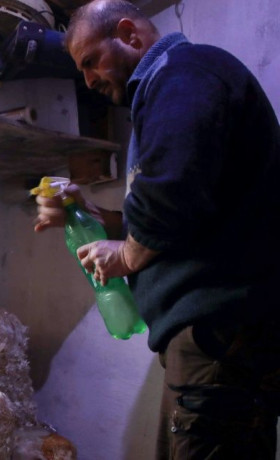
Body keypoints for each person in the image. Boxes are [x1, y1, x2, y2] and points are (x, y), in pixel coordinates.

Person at [34, 0, 280, 458]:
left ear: (128, 34)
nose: (87, 80)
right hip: (216, 336)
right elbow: (170, 216)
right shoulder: (175, 85)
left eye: (90, 62)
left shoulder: (182, 69)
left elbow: (171, 191)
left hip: (218, 333)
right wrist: (83, 212)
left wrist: (125, 257)